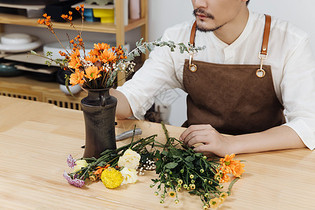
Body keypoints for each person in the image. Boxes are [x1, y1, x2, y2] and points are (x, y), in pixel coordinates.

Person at [110, 0, 315, 157]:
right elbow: (128, 101)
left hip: (266, 159)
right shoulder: (176, 39)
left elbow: (308, 124)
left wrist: (230, 144)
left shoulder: (289, 41)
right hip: (197, 157)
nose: (199, 3)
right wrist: (92, 82)